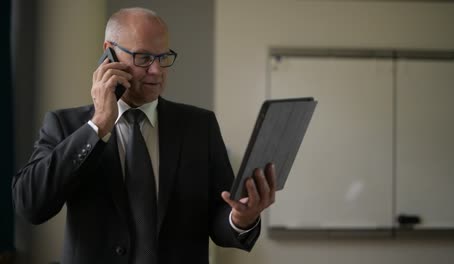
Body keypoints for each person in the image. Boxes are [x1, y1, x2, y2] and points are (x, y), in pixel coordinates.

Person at [12, 6, 276, 264]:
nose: (156, 70)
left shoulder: (199, 125)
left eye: (163, 57)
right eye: (143, 58)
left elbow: (221, 213)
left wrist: (240, 219)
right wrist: (99, 125)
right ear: (109, 53)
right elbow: (31, 206)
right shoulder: (66, 125)